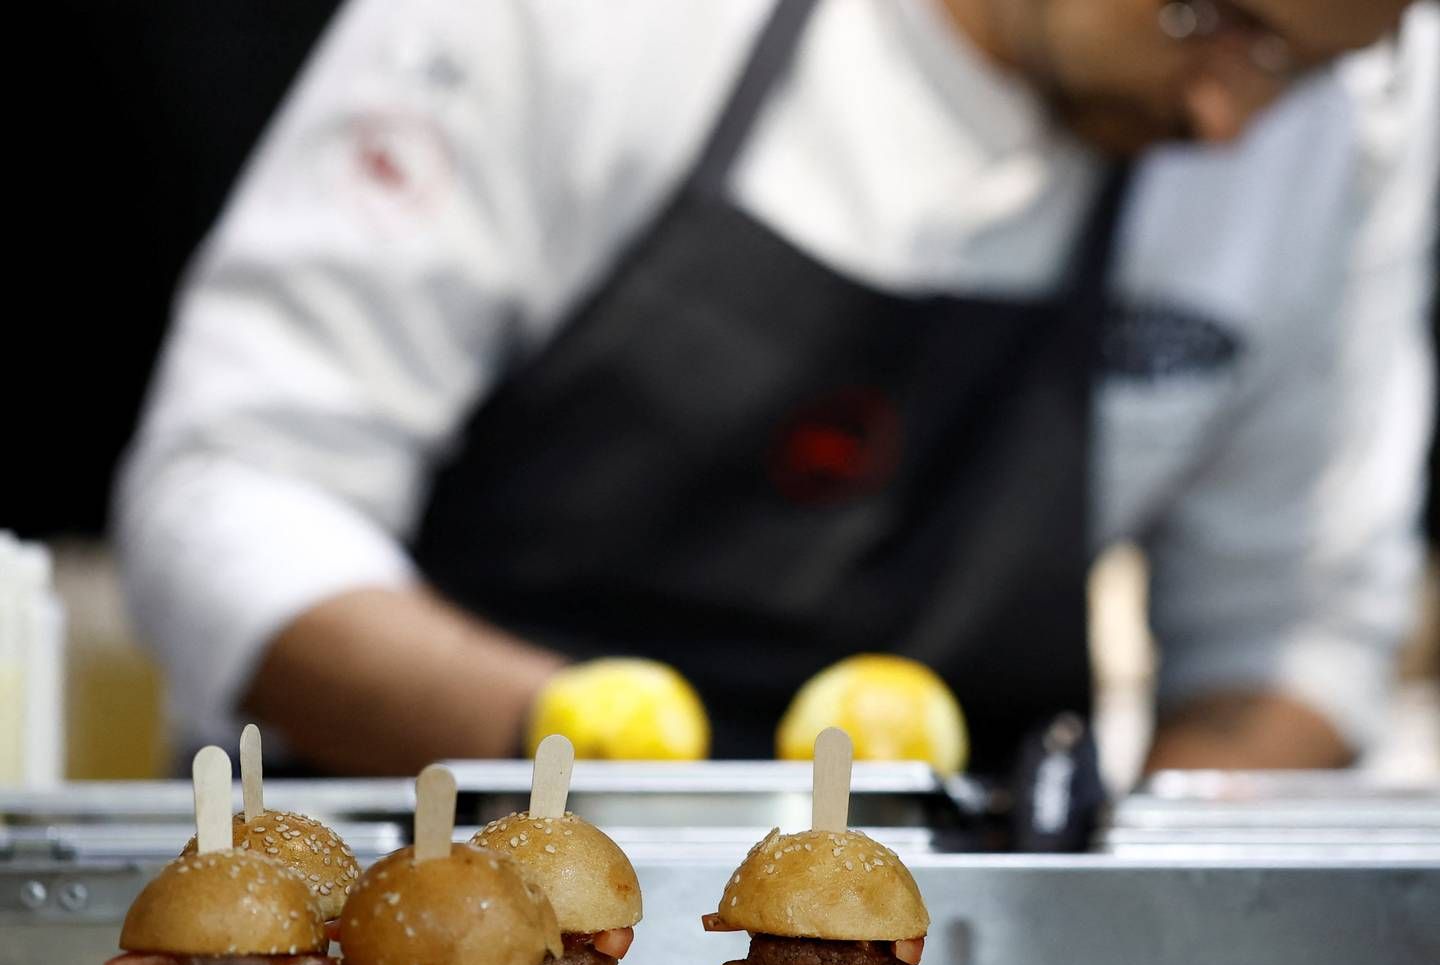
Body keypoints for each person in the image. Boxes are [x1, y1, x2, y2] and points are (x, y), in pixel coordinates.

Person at [116, 0, 1438, 777]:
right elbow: (234, 490)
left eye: (1312, 60)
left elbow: (1289, 643)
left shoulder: (1338, 130)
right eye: (1208, 19)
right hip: (453, 887)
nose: (1229, 120)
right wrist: (593, 758)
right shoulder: (584, 28)